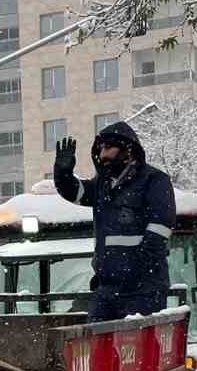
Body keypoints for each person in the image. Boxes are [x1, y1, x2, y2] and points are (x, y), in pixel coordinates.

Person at [52, 121, 177, 321]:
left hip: (143, 290)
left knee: (135, 341)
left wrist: (135, 270)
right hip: (107, 289)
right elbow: (75, 192)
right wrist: (63, 174)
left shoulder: (154, 180)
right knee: (94, 337)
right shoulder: (102, 186)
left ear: (128, 149)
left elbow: (160, 227)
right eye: (100, 149)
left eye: (108, 148)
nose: (102, 155)